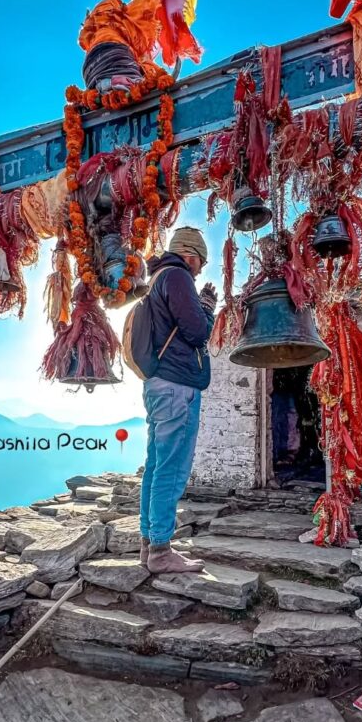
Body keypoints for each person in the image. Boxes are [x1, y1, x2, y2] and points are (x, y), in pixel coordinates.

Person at [139, 226, 218, 574]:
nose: (200, 270)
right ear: (191, 255)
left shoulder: (157, 278)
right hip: (177, 385)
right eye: (200, 262)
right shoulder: (177, 276)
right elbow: (198, 332)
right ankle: (160, 550)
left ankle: (149, 543)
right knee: (172, 467)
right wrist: (207, 308)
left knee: (156, 465)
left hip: (158, 384)